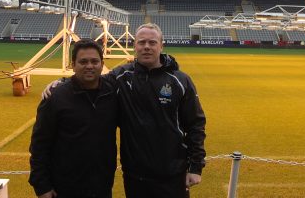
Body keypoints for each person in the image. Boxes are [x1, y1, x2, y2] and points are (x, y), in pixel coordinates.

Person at [43, 23, 206, 198]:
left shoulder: (180, 81)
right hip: (135, 176)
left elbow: (196, 124)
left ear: (161, 45)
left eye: (152, 42)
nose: (146, 47)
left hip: (172, 174)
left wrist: (195, 167)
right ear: (135, 46)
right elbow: (92, 77)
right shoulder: (121, 76)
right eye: (141, 42)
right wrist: (61, 83)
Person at [29, 39, 118, 198]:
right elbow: (39, 146)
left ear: (102, 64)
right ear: (73, 64)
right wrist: (42, 186)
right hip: (65, 188)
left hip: (102, 187)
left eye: (94, 61)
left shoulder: (113, 93)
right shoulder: (55, 97)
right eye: (83, 61)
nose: (89, 66)